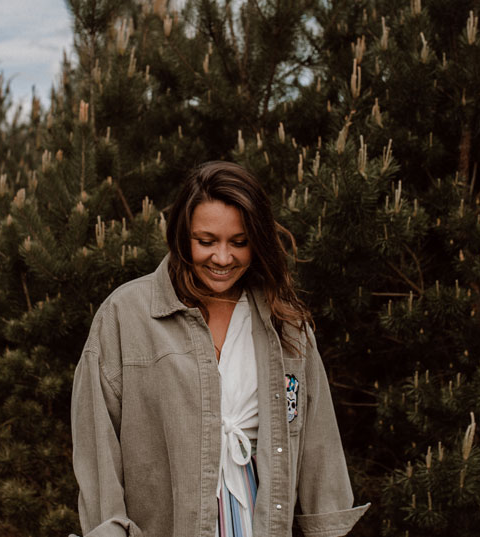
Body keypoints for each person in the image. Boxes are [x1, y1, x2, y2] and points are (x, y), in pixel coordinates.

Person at [70, 161, 368, 537]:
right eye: (206, 241)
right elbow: (97, 446)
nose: (223, 258)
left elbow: (318, 448)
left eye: (239, 242)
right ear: (182, 236)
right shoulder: (125, 314)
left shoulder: (286, 324)